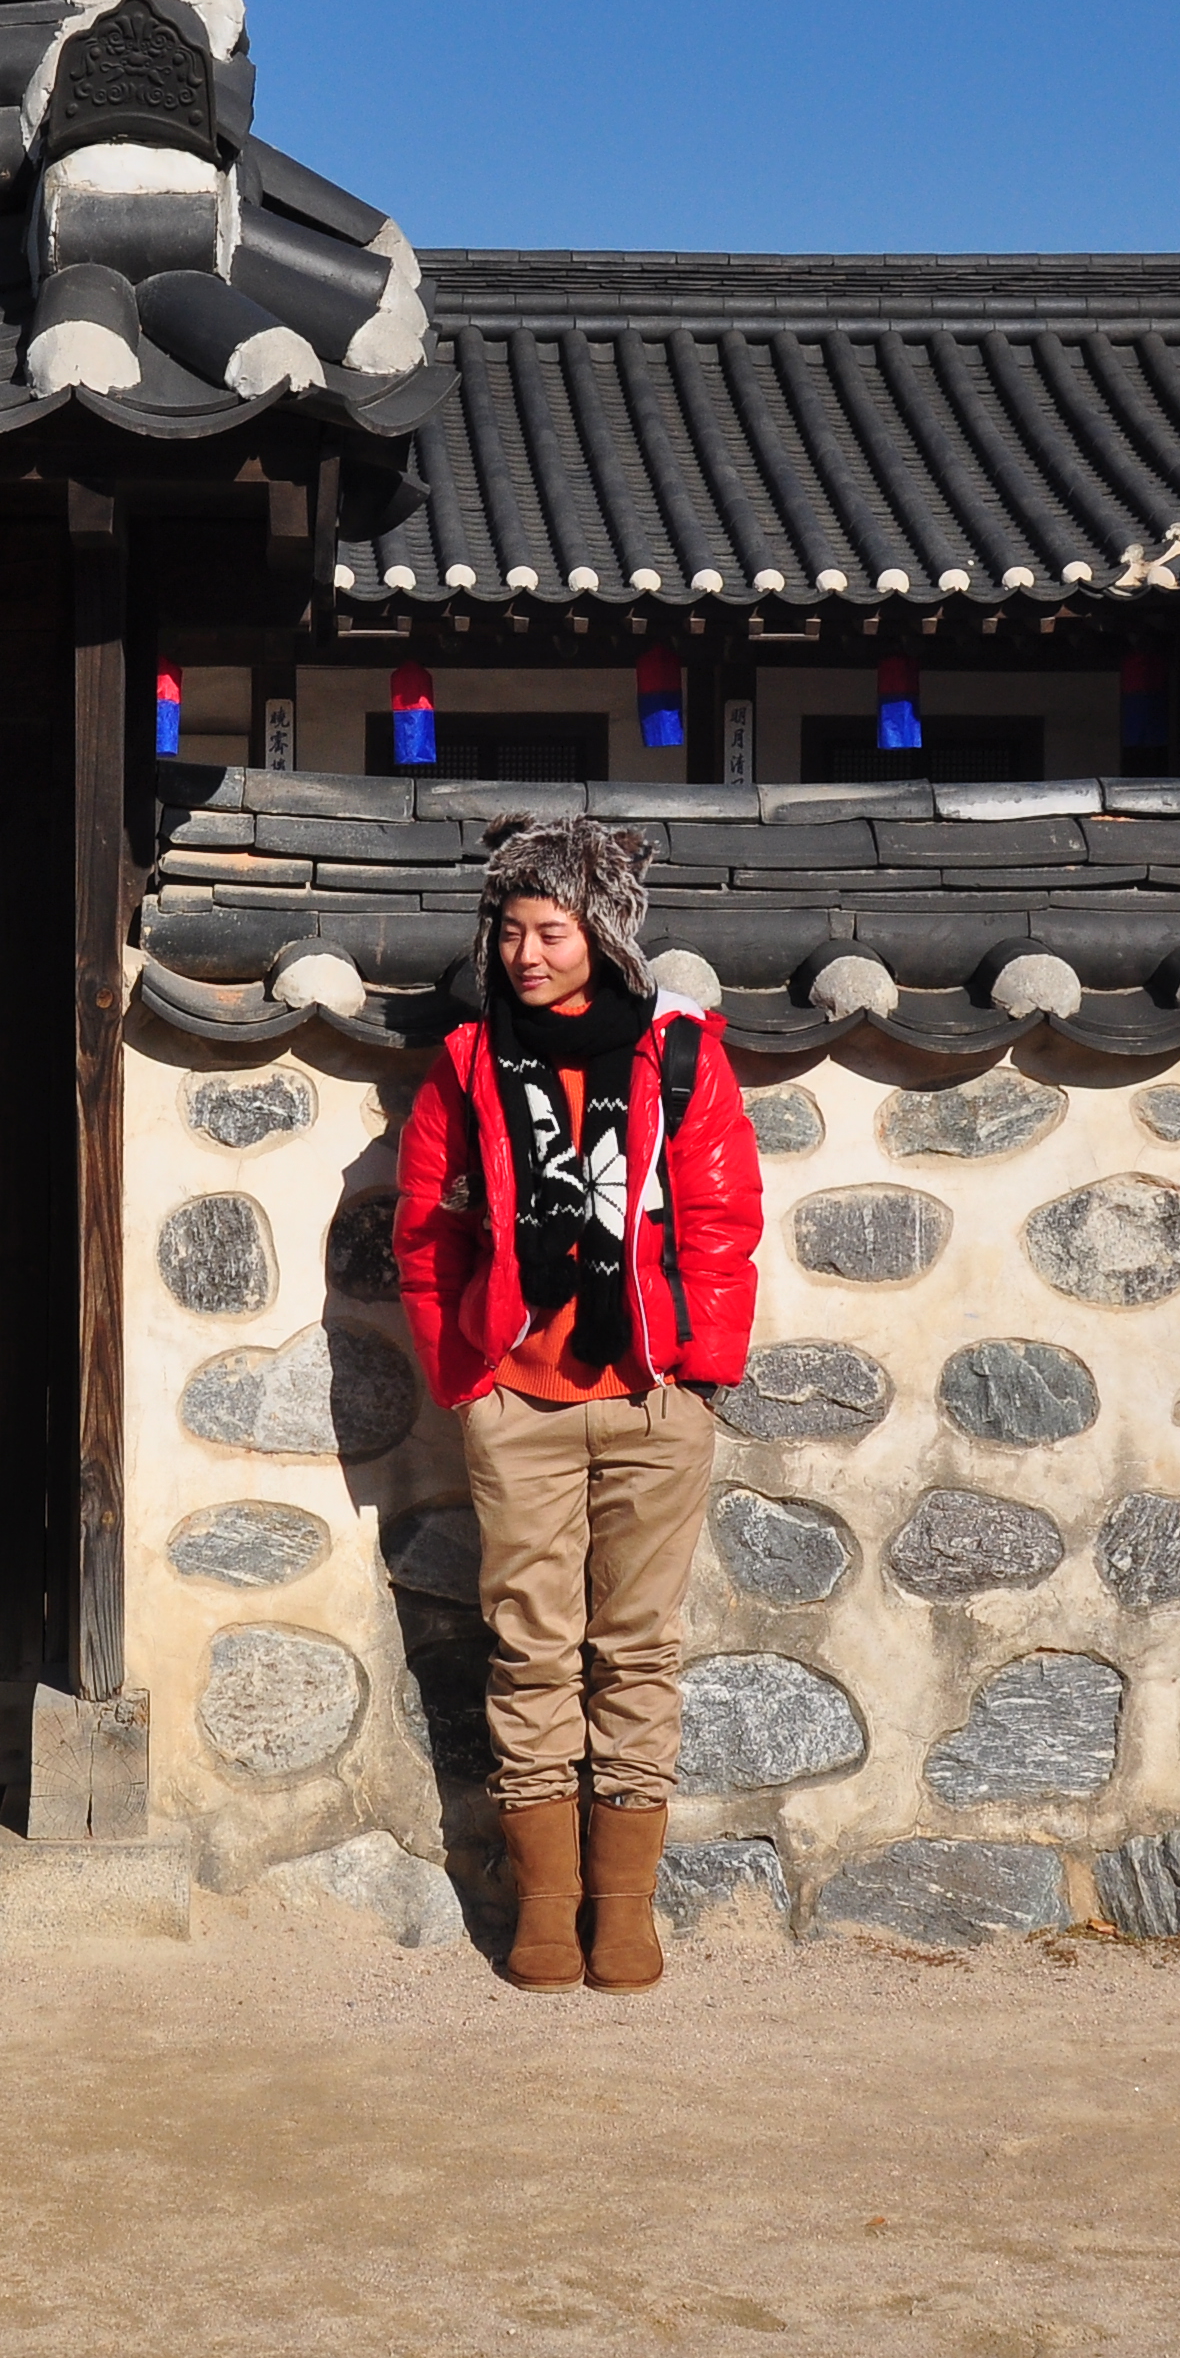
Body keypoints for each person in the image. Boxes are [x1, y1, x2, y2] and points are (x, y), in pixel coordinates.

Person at [395, 815, 762, 1992]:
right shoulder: (466, 1064)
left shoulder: (681, 1054)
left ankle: (625, 1906)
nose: (524, 955)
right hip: (522, 1397)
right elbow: (427, 1234)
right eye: (509, 930)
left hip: (656, 1396)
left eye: (549, 929)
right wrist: (469, 1375)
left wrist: (702, 1369)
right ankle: (544, 1905)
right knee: (532, 1647)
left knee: (640, 1650)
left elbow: (720, 1223)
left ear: (601, 934)